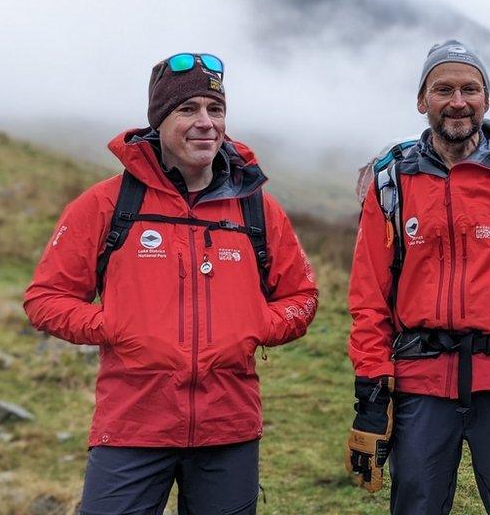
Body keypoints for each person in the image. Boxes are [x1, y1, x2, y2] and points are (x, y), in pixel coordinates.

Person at [24, 53, 319, 514]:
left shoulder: (257, 208)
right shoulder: (106, 204)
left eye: (215, 110)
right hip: (132, 424)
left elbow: (302, 297)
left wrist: (258, 323)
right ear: (159, 120)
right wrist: (114, 325)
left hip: (229, 427)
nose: (205, 123)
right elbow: (44, 299)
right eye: (188, 110)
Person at [345, 40, 490, 514]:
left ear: (486, 100)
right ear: (421, 101)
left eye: (470, 89)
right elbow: (369, 297)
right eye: (443, 89)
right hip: (421, 385)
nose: (457, 101)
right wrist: (371, 391)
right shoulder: (391, 185)